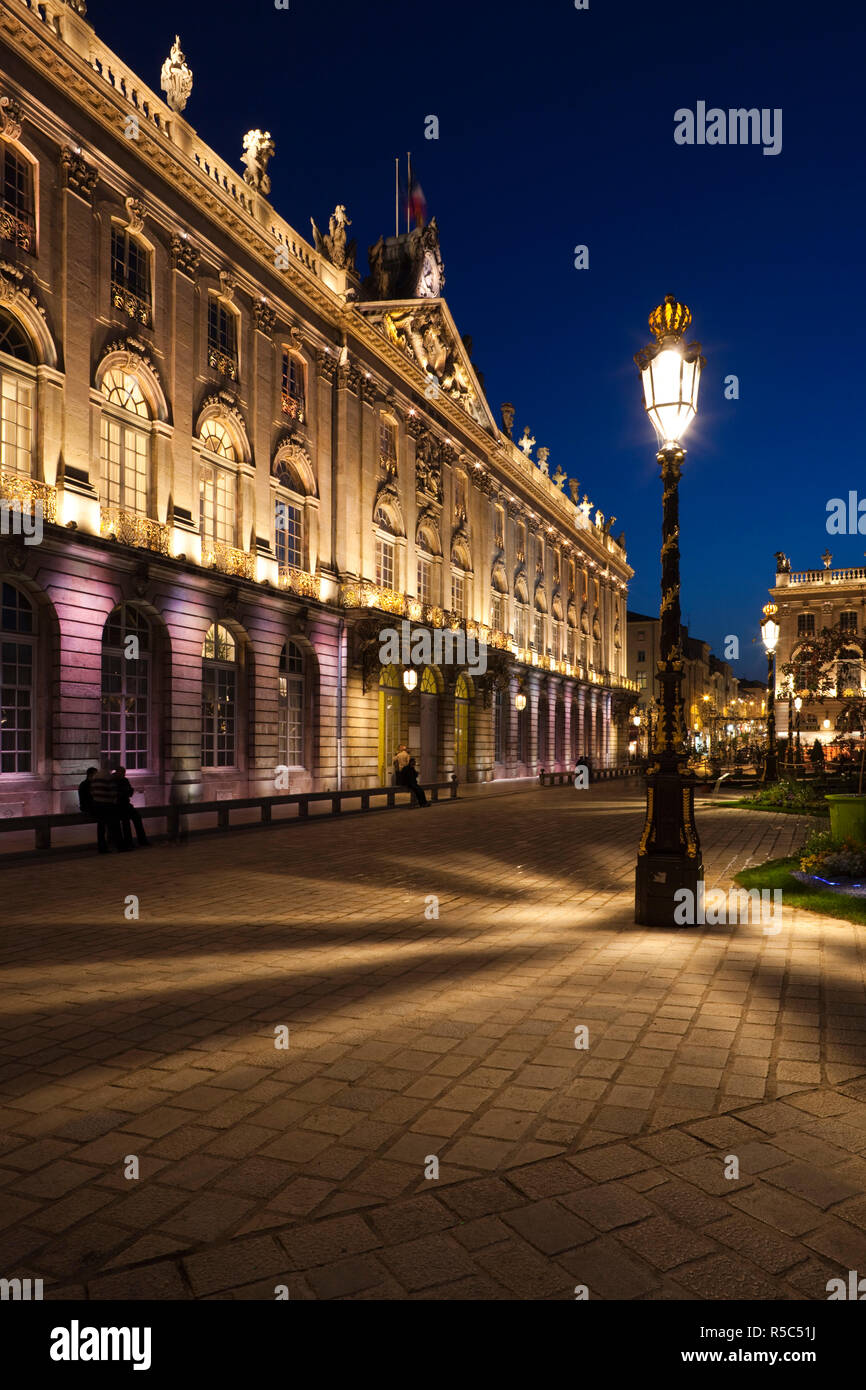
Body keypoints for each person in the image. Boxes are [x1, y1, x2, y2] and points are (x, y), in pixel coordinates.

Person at [79, 764, 124, 852]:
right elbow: (112, 793)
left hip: (97, 806)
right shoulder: (106, 779)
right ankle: (118, 845)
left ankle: (103, 846)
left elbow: (93, 794)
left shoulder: (93, 782)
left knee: (102, 826)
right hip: (100, 806)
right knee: (113, 823)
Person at [115, 766, 149, 847]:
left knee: (137, 817)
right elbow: (124, 793)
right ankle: (129, 842)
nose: (124, 774)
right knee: (126, 821)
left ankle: (141, 840)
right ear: (118, 772)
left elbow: (129, 792)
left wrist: (127, 792)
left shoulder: (124, 780)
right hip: (119, 805)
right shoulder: (115, 781)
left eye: (124, 773)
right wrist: (126, 792)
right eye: (122, 773)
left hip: (125, 804)